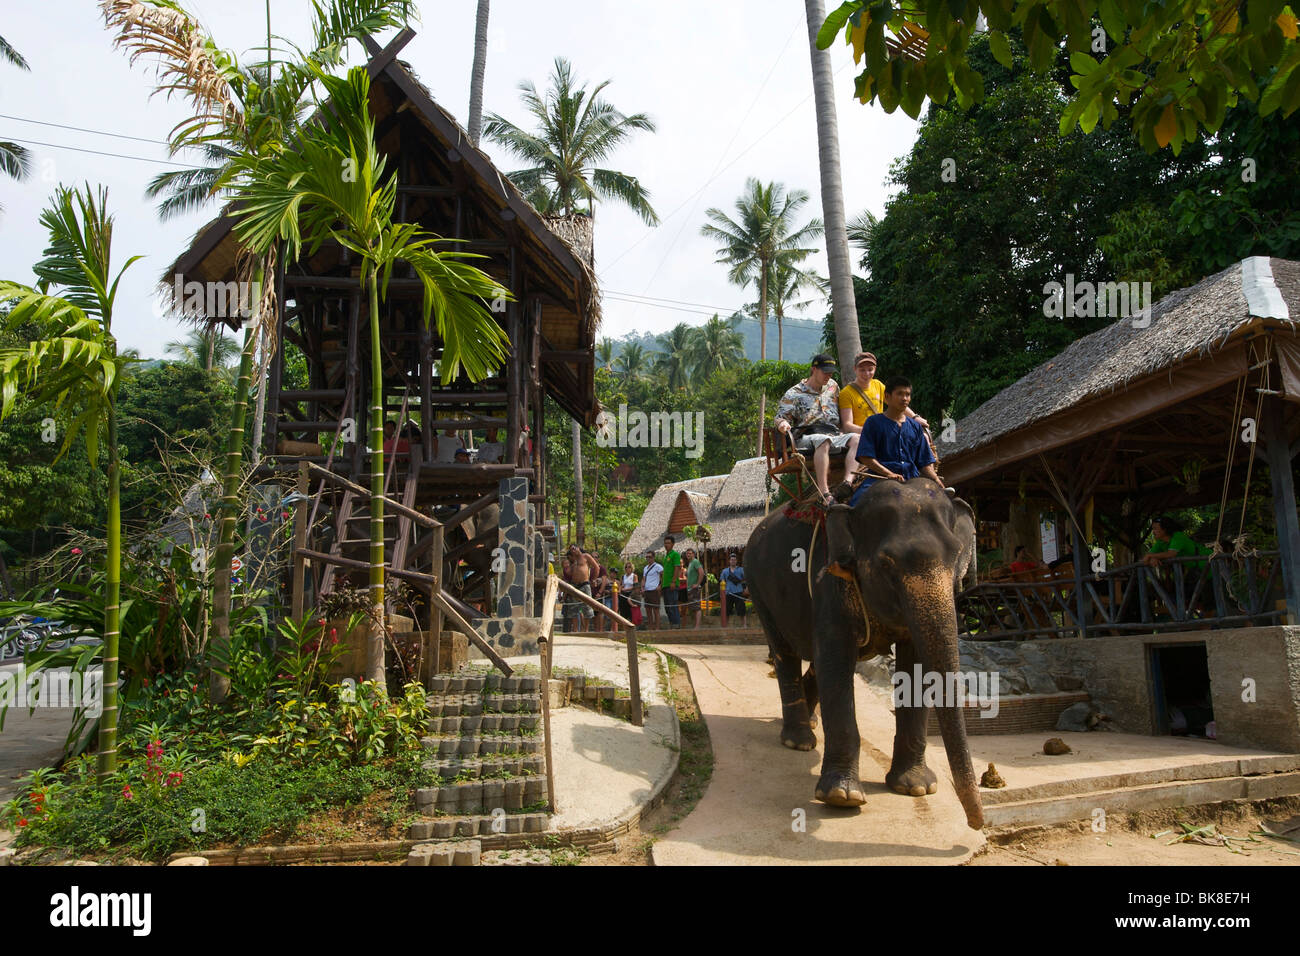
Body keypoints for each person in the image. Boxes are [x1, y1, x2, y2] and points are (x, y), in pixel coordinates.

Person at [775, 353, 860, 506]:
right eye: (825, 371)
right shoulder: (794, 393)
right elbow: (780, 417)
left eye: (831, 372)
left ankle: (847, 483)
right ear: (814, 369)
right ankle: (824, 492)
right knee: (823, 440)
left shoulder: (833, 386)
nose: (828, 375)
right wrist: (782, 424)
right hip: (807, 436)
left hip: (833, 433)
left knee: (856, 439)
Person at [837, 351, 928, 488]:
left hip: (884, 429)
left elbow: (898, 402)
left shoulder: (878, 385)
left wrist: (915, 417)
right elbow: (848, 425)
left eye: (870, 370)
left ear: (875, 369)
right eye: (862, 370)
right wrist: (869, 431)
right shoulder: (847, 393)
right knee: (858, 441)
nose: (867, 374)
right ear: (855, 369)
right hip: (866, 433)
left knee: (922, 436)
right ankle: (848, 482)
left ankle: (921, 472)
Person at [848, 377, 942, 507]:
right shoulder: (873, 422)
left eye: (907, 394)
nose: (904, 398)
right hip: (878, 478)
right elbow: (865, 457)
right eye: (900, 394)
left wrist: (936, 480)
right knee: (856, 505)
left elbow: (924, 462)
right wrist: (889, 474)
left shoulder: (915, 426)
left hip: (912, 479)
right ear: (887, 397)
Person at [1143, 516, 1211, 571]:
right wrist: (1153, 558)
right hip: (1199, 571)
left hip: (1211, 565)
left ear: (1165, 529)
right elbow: (1146, 557)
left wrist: (1151, 556)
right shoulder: (1160, 542)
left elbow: (1171, 553)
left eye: (1155, 529)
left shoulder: (1178, 536)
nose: (1153, 532)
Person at [565, 544, 599, 632]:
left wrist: (594, 579)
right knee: (573, 608)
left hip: (585, 584)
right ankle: (576, 630)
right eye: (571, 550)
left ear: (578, 548)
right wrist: (568, 564)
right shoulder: (573, 561)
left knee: (587, 607)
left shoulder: (586, 556)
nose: (573, 550)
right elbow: (568, 573)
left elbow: (596, 567)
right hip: (575, 586)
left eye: (574, 548)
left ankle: (586, 630)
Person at [660, 535, 682, 628]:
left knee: (673, 605)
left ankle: (676, 624)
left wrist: (673, 581)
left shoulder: (675, 554)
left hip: (672, 584)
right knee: (667, 606)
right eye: (665, 543)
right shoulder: (666, 557)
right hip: (665, 585)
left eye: (668, 543)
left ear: (673, 544)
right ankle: (672, 624)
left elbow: (677, 568)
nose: (666, 545)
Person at [720, 552, 746, 626]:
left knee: (742, 610)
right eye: (731, 560)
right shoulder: (724, 571)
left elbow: (745, 580)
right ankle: (726, 626)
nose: (733, 561)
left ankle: (744, 625)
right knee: (727, 611)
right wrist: (722, 594)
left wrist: (745, 588)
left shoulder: (741, 570)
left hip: (739, 592)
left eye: (734, 560)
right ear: (729, 561)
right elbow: (722, 581)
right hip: (728, 593)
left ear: (736, 561)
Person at [642, 549, 663, 629]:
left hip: (654, 590)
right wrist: (642, 587)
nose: (648, 558)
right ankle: (650, 628)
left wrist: (660, 585)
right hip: (647, 590)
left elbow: (663, 576)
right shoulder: (645, 568)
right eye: (647, 557)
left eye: (650, 557)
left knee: (656, 610)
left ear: (653, 557)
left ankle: (657, 628)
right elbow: (644, 579)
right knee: (648, 610)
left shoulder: (658, 566)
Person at [684, 547, 705, 629]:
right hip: (690, 588)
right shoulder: (690, 563)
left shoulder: (695, 562)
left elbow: (701, 572)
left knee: (697, 607)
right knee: (692, 608)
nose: (688, 555)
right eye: (687, 553)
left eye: (690, 553)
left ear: (693, 554)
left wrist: (697, 584)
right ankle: (695, 625)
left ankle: (697, 626)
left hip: (695, 588)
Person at [619, 561, 639, 629]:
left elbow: (635, 586)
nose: (627, 568)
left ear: (632, 568)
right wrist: (621, 589)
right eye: (626, 567)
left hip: (631, 594)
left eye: (629, 567)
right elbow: (620, 585)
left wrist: (626, 589)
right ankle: (624, 626)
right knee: (623, 611)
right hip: (623, 595)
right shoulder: (623, 576)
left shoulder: (634, 576)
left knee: (631, 611)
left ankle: (632, 626)